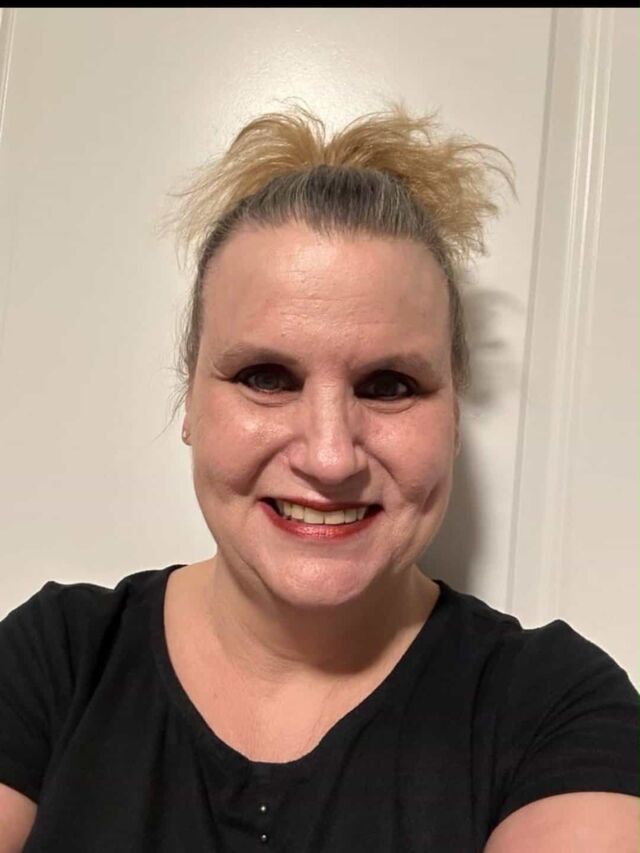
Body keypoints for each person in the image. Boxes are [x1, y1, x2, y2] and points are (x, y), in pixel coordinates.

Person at [0, 105, 637, 852]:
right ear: (190, 402)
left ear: (455, 419)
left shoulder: (554, 709)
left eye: (390, 385)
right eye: (267, 377)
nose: (331, 458)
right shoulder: (56, 662)